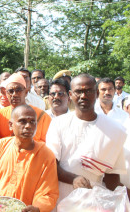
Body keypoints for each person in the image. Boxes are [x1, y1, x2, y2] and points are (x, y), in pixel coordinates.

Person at [46, 74, 128, 206]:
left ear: (96, 93)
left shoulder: (113, 129)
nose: (83, 96)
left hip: (93, 200)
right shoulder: (58, 124)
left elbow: (112, 175)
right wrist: (73, 179)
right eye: (79, 91)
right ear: (71, 95)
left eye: (88, 91)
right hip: (60, 197)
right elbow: (50, 164)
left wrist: (113, 201)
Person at [0, 105, 59, 212]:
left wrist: (38, 208)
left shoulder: (46, 155)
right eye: (22, 121)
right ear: (10, 125)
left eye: (32, 122)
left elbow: (48, 193)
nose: (28, 126)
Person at [0, 73, 51, 142]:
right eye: (10, 91)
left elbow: (49, 144)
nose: (14, 94)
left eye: (18, 90)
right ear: (6, 94)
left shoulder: (42, 116)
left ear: (26, 92)